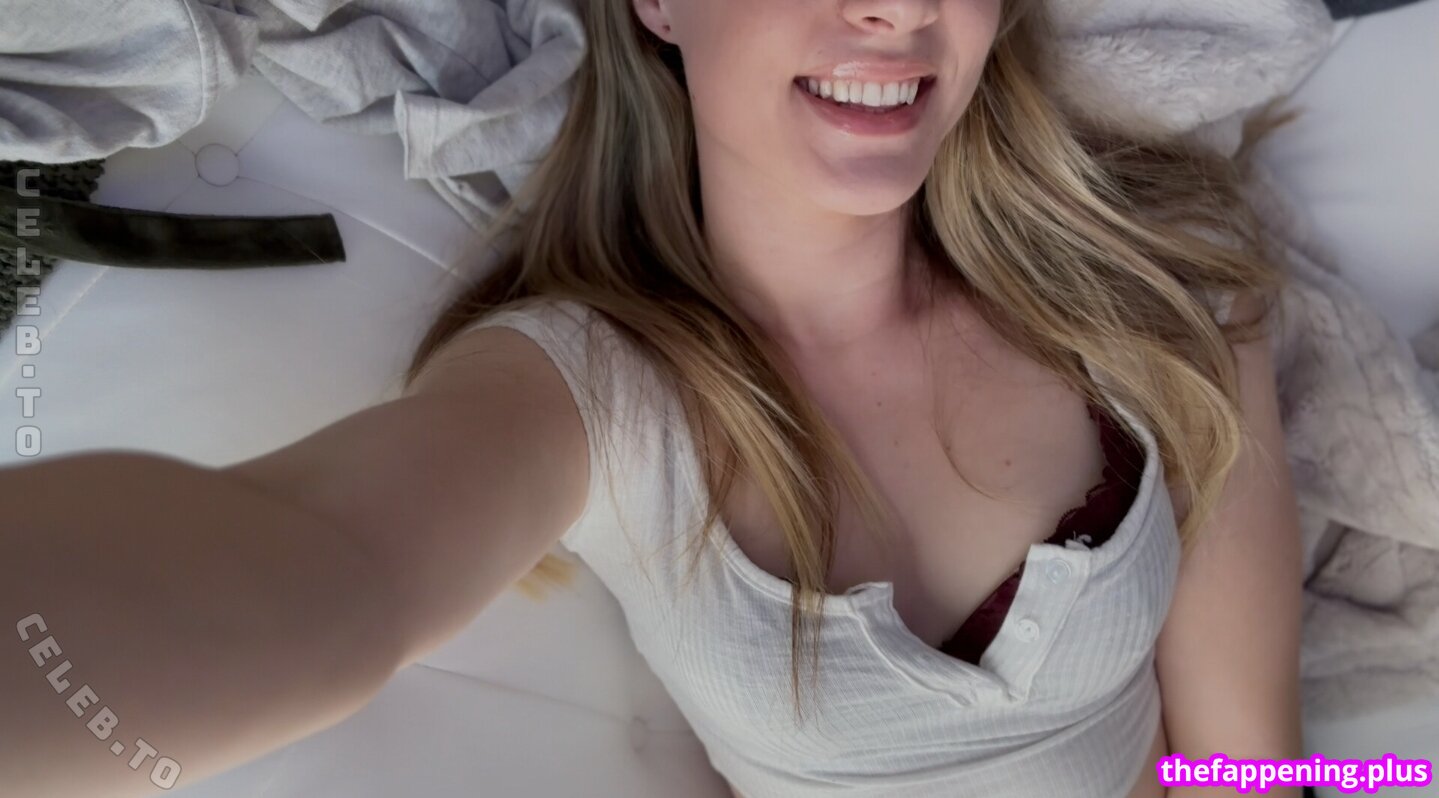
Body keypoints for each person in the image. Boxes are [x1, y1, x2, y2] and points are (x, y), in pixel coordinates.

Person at [0, 0, 1306, 796]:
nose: (900, 9)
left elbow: (1249, 766)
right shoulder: (593, 392)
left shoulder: (1154, 287)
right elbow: (329, 558)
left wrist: (1389, 774)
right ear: (659, 4)